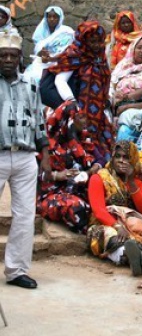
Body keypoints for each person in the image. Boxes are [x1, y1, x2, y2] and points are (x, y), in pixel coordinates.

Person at [0, 32, 49, 289]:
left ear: (20, 58)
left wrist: (47, 156)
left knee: (25, 215)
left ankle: (16, 270)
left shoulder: (31, 83)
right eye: (3, 55)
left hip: (25, 156)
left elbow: (39, 121)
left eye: (12, 55)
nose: (7, 59)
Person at [49, 20, 114, 160]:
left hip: (97, 113)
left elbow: (106, 80)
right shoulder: (74, 55)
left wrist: (107, 99)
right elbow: (60, 80)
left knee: (101, 148)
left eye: (98, 41)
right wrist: (72, 103)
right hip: (78, 111)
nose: (96, 45)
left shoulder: (100, 58)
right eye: (92, 41)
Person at [37, 101, 104, 233]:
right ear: (68, 120)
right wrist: (59, 175)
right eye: (80, 117)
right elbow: (36, 175)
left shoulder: (83, 138)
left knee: (104, 201)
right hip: (53, 193)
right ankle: (93, 234)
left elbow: (101, 159)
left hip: (78, 188)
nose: (85, 121)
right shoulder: (47, 145)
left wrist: (90, 171)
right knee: (76, 207)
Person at [87, 141, 142, 266]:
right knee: (109, 235)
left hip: (133, 226)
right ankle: (129, 256)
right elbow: (98, 210)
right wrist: (117, 226)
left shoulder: (138, 179)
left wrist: (131, 181)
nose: (121, 161)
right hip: (106, 225)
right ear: (112, 157)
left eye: (126, 157)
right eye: (117, 156)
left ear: (133, 160)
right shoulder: (99, 178)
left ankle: (139, 257)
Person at [111, 35, 142, 120]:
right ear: (133, 49)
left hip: (138, 106)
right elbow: (112, 83)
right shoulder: (124, 65)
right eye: (139, 47)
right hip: (117, 104)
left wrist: (128, 97)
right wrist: (115, 94)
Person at [24, 6, 74, 84]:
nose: (52, 19)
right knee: (30, 77)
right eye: (49, 16)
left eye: (55, 17)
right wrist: (42, 53)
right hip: (43, 61)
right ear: (46, 18)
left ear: (60, 18)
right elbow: (38, 52)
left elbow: (66, 51)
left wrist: (51, 58)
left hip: (60, 61)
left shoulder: (66, 32)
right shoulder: (41, 32)